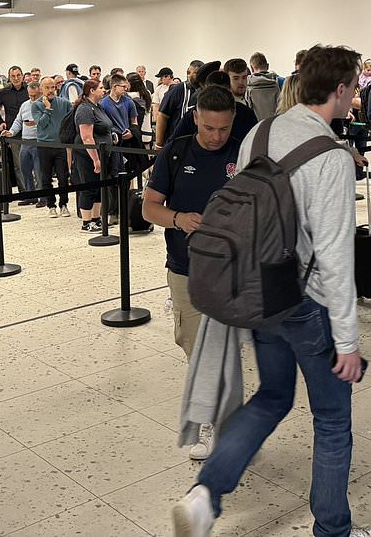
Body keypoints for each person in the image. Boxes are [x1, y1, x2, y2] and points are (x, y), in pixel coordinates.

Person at [172, 45, 371, 537]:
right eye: (353, 87)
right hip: (307, 304)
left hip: (261, 292)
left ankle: (207, 493)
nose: (355, 95)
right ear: (338, 90)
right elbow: (334, 257)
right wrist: (349, 344)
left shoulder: (260, 132)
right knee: (332, 420)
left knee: (271, 397)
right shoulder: (329, 158)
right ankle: (333, 530)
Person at [143, 86, 242, 461]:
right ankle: (209, 420)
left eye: (224, 128)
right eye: (209, 128)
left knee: (226, 351)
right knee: (196, 347)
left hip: (233, 268)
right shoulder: (176, 151)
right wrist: (179, 219)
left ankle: (225, 424)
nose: (217, 136)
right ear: (196, 117)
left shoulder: (242, 151)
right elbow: (149, 209)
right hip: (186, 269)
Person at [72, 79, 113, 231]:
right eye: (101, 88)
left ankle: (96, 219)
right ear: (92, 91)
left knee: (98, 188)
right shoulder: (84, 109)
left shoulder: (98, 107)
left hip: (102, 154)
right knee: (89, 187)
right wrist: (95, 159)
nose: (104, 90)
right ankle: (86, 222)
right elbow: (87, 137)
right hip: (87, 155)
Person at [32, 77, 74, 218]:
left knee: (63, 177)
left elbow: (73, 116)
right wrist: (47, 109)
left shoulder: (64, 103)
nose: (50, 90)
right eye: (47, 88)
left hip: (60, 145)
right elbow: (41, 124)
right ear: (41, 89)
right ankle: (51, 205)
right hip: (44, 146)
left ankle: (64, 204)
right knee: (46, 178)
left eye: (52, 87)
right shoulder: (36, 105)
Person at [0, 66, 31, 192]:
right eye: (13, 76)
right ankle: (24, 191)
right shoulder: (4, 92)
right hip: (13, 132)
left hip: (31, 131)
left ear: (22, 76)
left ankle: (36, 190)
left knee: (34, 162)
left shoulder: (29, 90)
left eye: (18, 75)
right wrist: (1, 122)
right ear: (9, 78)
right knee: (19, 164)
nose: (16, 78)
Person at [2, 82, 42, 205]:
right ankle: (30, 195)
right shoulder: (25, 105)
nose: (33, 98)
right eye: (30, 95)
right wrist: (11, 132)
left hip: (38, 141)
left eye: (35, 96)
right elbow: (18, 120)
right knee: (24, 169)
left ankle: (42, 196)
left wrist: (36, 123)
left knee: (39, 170)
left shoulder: (44, 104)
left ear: (40, 93)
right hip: (25, 141)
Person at [157, 60, 207, 148]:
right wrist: (159, 144)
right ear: (188, 72)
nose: (199, 77)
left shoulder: (204, 91)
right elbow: (162, 115)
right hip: (177, 142)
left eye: (202, 74)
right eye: (196, 73)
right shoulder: (178, 89)